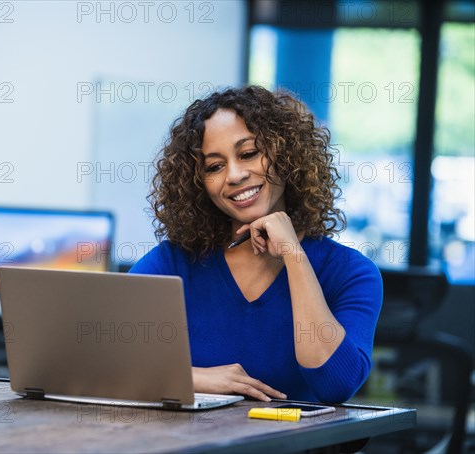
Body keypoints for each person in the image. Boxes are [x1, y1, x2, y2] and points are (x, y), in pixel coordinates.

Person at [130, 85, 383, 404]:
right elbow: (97, 363)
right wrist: (197, 378)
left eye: (249, 153)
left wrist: (294, 255)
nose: (234, 175)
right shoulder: (172, 264)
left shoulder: (350, 273)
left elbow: (335, 384)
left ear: (287, 156)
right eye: (214, 166)